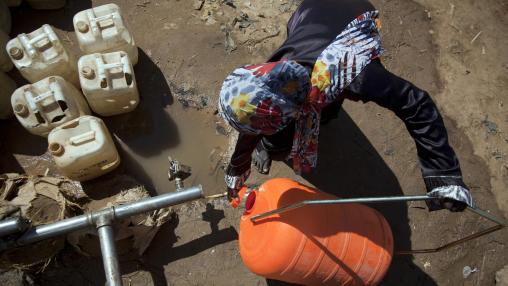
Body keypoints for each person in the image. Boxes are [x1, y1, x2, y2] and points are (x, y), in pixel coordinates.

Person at [218, 0, 473, 212]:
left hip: (352, 18)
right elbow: (252, 116)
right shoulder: (273, 75)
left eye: (262, 127)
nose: (254, 130)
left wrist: (444, 175)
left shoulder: (353, 73)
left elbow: (416, 104)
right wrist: (237, 167)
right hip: (310, 14)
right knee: (281, 125)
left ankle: (317, 117)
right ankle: (286, 132)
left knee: (314, 111)